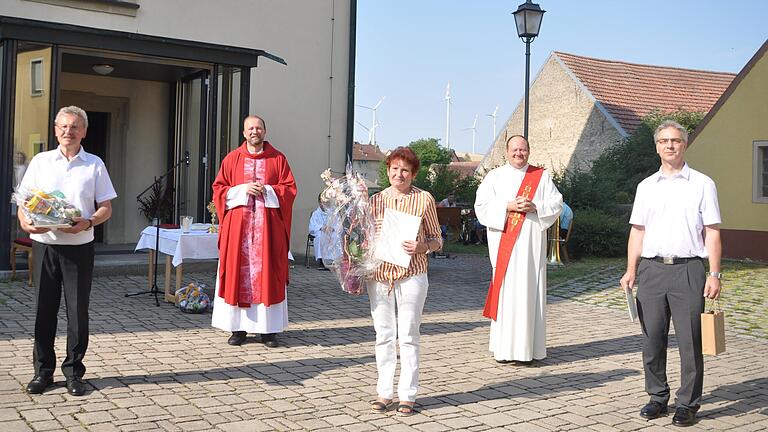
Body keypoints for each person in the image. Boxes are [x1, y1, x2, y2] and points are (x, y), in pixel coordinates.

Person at [620, 120, 722, 427]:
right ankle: (657, 397)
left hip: (689, 270)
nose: (670, 145)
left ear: (685, 144)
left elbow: (713, 232)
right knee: (652, 340)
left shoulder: (703, 184)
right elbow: (638, 232)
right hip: (651, 271)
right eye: (664, 141)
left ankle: (688, 403)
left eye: (675, 140)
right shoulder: (646, 187)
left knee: (691, 341)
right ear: (656, 147)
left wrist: (714, 274)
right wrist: (631, 270)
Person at [19, 106, 117, 396]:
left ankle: (74, 372)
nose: (68, 132)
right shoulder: (41, 161)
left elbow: (106, 208)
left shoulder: (94, 164)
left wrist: (89, 221)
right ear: (55, 130)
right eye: (62, 127)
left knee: (77, 313)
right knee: (43, 311)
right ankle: (43, 372)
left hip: (79, 247)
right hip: (46, 246)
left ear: (84, 131)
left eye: (74, 127)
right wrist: (25, 223)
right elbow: (24, 204)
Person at [474, 135, 562, 364]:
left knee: (528, 291)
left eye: (522, 150)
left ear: (529, 151)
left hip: (531, 248)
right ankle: (504, 350)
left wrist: (536, 206)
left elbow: (556, 203)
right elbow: (481, 206)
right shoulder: (494, 177)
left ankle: (529, 350)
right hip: (504, 245)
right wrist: (507, 206)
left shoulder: (540, 177)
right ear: (506, 151)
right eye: (514, 150)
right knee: (506, 293)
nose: (518, 153)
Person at [367, 147, 442, 416]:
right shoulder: (375, 200)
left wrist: (422, 246)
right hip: (380, 277)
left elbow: (437, 238)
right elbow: (366, 239)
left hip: (412, 275)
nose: (399, 174)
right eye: (395, 169)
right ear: (387, 170)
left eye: (405, 170)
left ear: (413, 173)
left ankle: (407, 394)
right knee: (383, 335)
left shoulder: (424, 199)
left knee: (409, 335)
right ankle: (384, 392)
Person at [211, 115, 297, 348]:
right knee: (237, 274)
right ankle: (238, 329)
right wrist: (242, 189)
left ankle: (268, 331)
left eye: (258, 128)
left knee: (268, 274)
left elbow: (289, 189)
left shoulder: (278, 159)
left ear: (265, 132)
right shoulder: (232, 159)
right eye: (250, 128)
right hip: (238, 232)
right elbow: (219, 190)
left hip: (267, 233)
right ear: (244, 132)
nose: (254, 131)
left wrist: (267, 190)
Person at [308, 193, 331, 271]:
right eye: (322, 201)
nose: (324, 203)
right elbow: (312, 227)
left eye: (326, 201)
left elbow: (337, 225)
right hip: (320, 232)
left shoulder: (332, 213)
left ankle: (332, 261)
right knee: (320, 236)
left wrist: (332, 228)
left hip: (330, 232)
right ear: (319, 202)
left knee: (335, 236)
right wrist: (321, 228)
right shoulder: (315, 214)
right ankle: (322, 261)